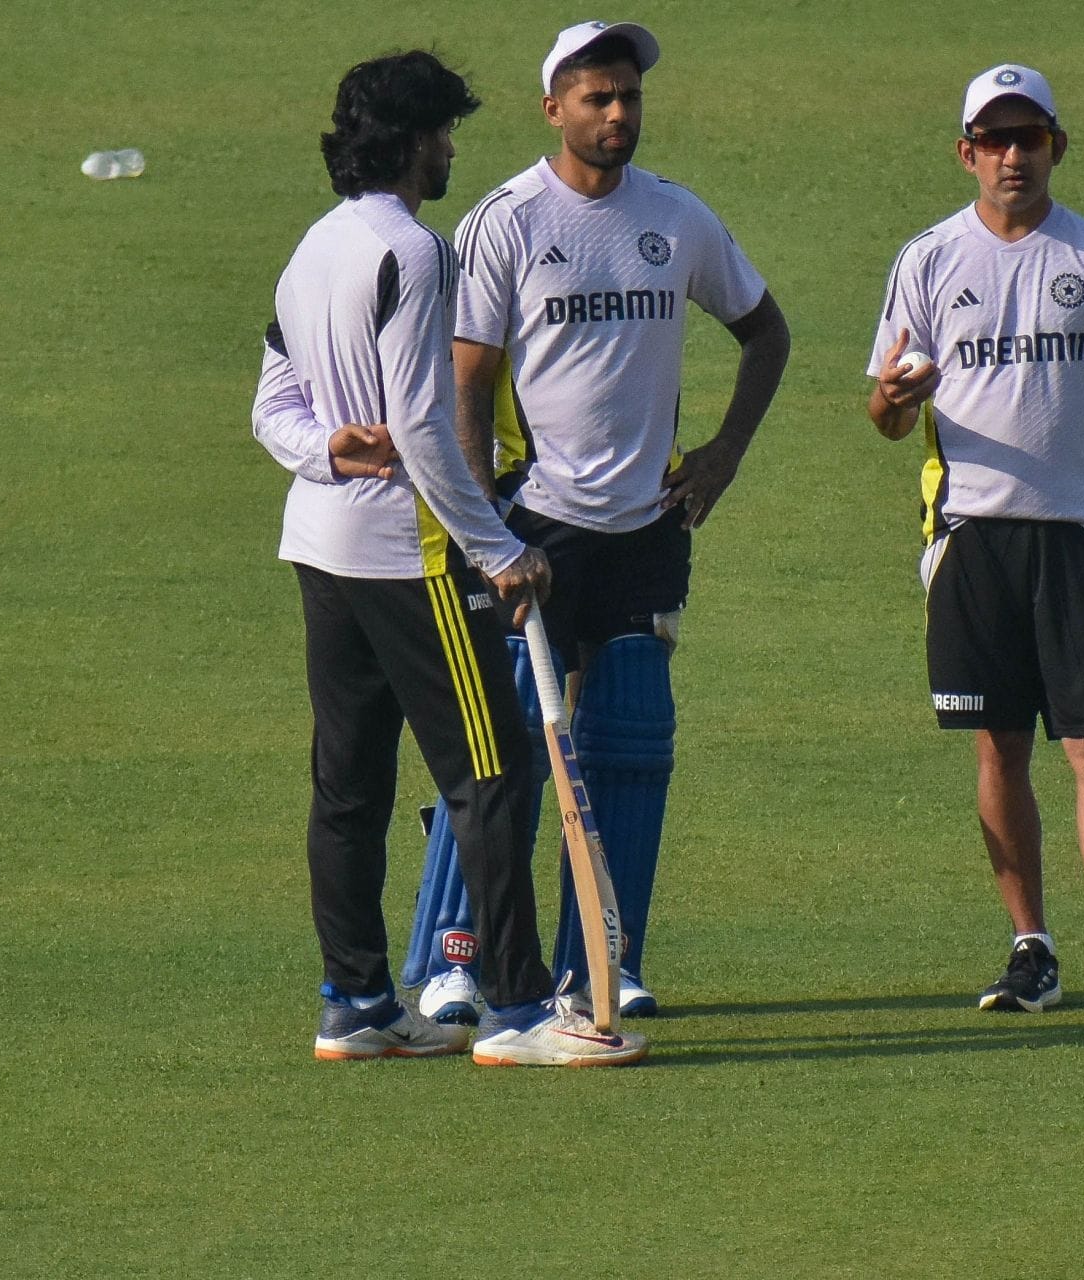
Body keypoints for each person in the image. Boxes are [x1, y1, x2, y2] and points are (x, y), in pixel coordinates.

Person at [252, 50, 647, 1066]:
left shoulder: (313, 247)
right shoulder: (418, 254)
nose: (453, 147)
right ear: (413, 141)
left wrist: (321, 450)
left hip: (321, 546)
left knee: (347, 785)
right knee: (494, 770)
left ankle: (357, 1001)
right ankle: (517, 1010)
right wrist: (498, 546)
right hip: (408, 559)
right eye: (443, 131)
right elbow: (425, 428)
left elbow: (273, 403)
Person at [403, 19, 790, 1022]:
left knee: (630, 739)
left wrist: (724, 452)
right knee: (510, 746)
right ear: (554, 108)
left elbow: (765, 328)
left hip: (648, 525)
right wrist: (486, 529)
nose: (618, 114)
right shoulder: (506, 222)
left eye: (629, 97)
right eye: (597, 98)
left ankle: (604, 957)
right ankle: (458, 956)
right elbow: (468, 383)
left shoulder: (675, 218)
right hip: (537, 523)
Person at [865, 63, 1084, 1020]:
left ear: (1057, 147)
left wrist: (1077, 470)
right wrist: (895, 396)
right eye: (994, 141)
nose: (1013, 156)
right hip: (967, 540)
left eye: (1029, 138)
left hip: (1076, 541)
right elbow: (881, 414)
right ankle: (1031, 949)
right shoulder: (926, 261)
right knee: (998, 748)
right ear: (966, 154)